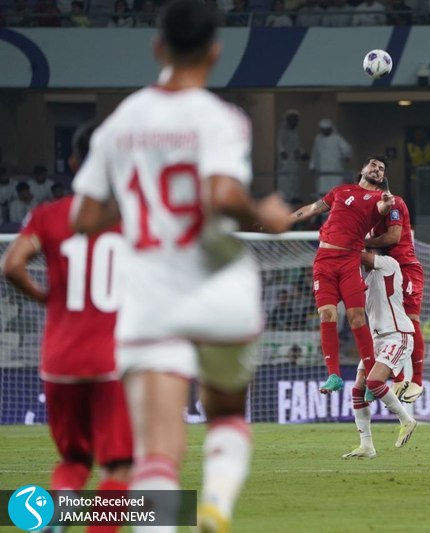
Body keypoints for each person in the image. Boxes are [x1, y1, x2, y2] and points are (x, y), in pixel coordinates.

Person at [69, 2, 293, 532]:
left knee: (157, 453)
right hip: (220, 290)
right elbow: (222, 193)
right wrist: (265, 214)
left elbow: (84, 217)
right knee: (227, 412)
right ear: (215, 52)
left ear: (157, 48)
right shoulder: (220, 118)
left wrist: (137, 202)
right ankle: (216, 502)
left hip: (152, 300)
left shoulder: (121, 123)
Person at [1, 121, 133, 533]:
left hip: (59, 359)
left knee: (74, 460)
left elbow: (11, 265)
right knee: (118, 465)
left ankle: (58, 518)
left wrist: (46, 298)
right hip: (111, 359)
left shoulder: (49, 216)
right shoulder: (132, 219)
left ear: (74, 162)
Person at [292, 155, 395, 393]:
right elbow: (312, 209)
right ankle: (334, 375)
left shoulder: (379, 197)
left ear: (382, 178)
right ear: (363, 168)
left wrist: (387, 204)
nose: (377, 169)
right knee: (326, 315)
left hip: (349, 261)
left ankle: (373, 379)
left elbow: (383, 208)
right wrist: (285, 220)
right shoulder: (340, 191)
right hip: (324, 261)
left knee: (356, 318)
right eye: (373, 165)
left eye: (381, 169)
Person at [342, 250, 418, 458]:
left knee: (374, 382)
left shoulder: (388, 263)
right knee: (358, 389)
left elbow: (358, 255)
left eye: (367, 249)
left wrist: (340, 244)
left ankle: (406, 420)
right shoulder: (364, 278)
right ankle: (366, 446)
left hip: (397, 335)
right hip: (376, 340)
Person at [366, 181, 425, 402]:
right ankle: (398, 378)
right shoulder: (369, 213)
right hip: (382, 269)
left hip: (404, 267)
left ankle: (417, 381)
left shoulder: (394, 203)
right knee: (382, 321)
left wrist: (359, 241)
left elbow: (393, 238)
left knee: (410, 320)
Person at [309, 118, 352, 197]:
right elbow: (315, 153)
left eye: (327, 130)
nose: (325, 132)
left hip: (335, 172)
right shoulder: (318, 139)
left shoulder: (337, 138)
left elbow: (346, 148)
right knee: (322, 194)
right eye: (323, 130)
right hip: (322, 173)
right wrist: (312, 166)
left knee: (335, 192)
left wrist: (347, 156)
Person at [276, 109, 305, 200]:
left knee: (294, 180)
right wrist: (282, 151)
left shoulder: (295, 133)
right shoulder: (283, 131)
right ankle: (286, 199)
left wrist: (302, 153)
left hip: (294, 161)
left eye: (295, 120)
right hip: (285, 162)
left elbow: (296, 146)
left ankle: (294, 197)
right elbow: (280, 143)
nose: (294, 122)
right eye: (292, 120)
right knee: (285, 182)